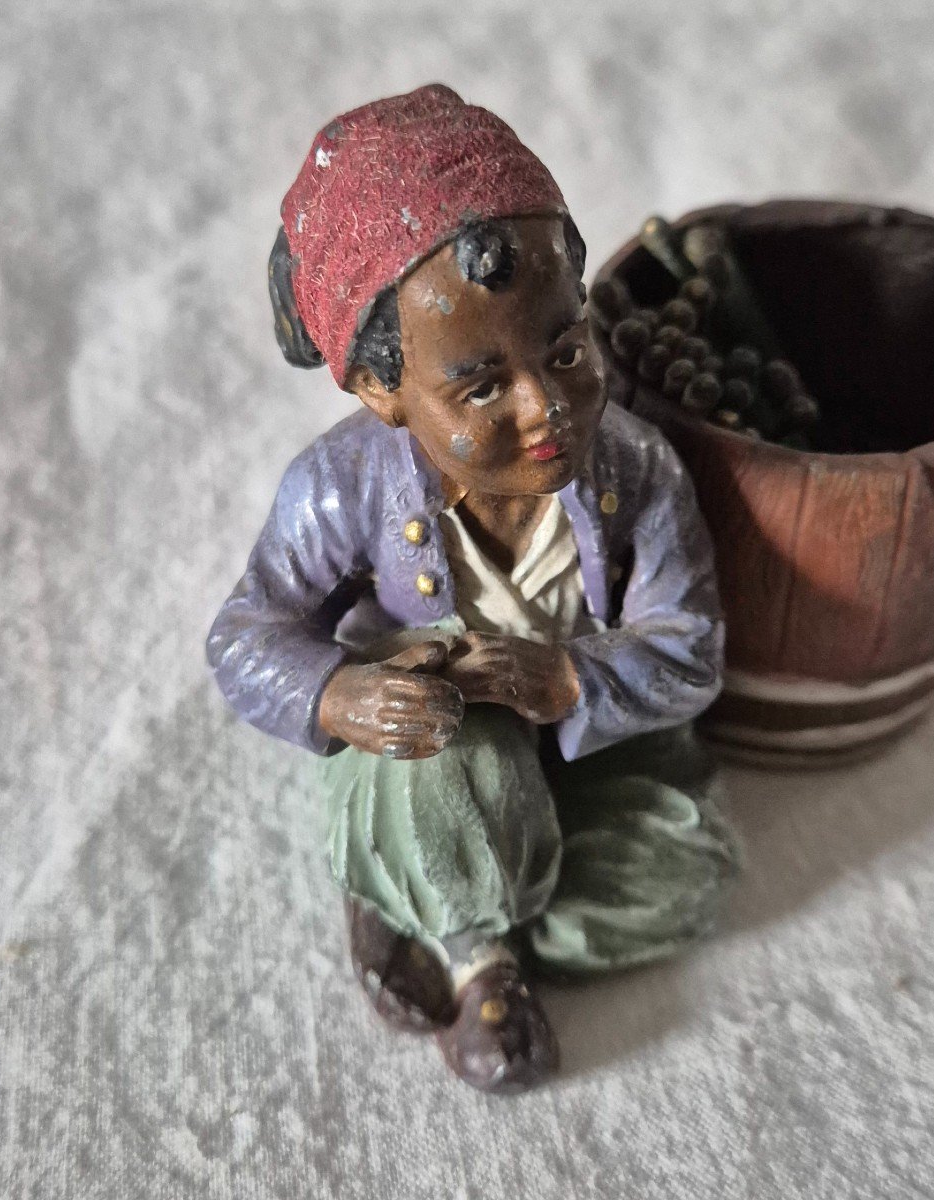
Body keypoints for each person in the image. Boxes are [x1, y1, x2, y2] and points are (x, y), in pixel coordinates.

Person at [207, 84, 738, 1094]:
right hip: (438, 749)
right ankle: (486, 966)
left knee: (692, 875)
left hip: (580, 761)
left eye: (567, 350)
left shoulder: (638, 469)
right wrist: (340, 694)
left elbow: (693, 647)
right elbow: (244, 632)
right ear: (382, 392)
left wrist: (572, 682)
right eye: (481, 384)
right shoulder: (342, 487)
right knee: (447, 765)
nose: (546, 407)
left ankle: (431, 909)